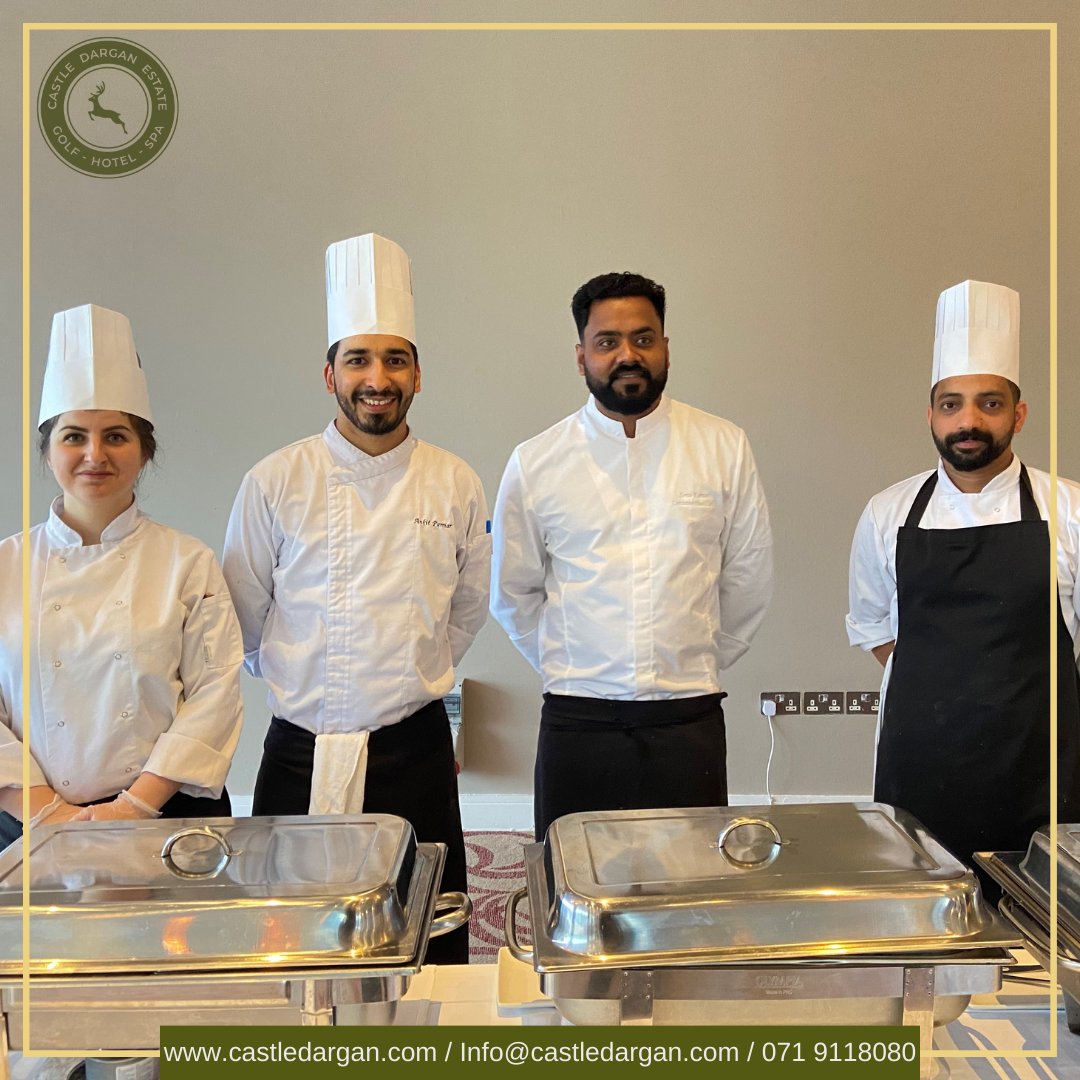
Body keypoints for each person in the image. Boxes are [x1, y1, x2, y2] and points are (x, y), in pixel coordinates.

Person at [222, 233, 488, 964]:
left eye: (395, 359)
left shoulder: (454, 481)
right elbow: (242, 612)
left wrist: (412, 665)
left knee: (426, 936)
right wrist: (294, 675)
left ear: (418, 375)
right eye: (360, 360)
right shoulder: (275, 481)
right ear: (329, 372)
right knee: (290, 943)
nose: (378, 377)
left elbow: (466, 608)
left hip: (414, 748)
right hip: (300, 753)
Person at [490, 271, 773, 840]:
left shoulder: (722, 446)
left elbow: (748, 576)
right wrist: (570, 662)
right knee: (574, 891)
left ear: (666, 346)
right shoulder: (536, 461)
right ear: (581, 356)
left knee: (688, 895)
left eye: (644, 339)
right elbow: (513, 590)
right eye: (607, 342)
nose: (627, 355)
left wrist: (693, 657)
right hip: (578, 718)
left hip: (687, 714)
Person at [847, 280, 1080, 896]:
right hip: (922, 767)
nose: (968, 421)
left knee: (1038, 940)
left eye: (989, 403)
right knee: (927, 934)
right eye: (951, 404)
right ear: (930, 414)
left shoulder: (1071, 512)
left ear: (1020, 414)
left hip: (1042, 769)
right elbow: (873, 627)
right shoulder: (887, 513)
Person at [0, 304, 244, 846]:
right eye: (73, 437)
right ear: (47, 452)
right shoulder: (5, 566)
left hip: (167, 813)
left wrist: (134, 805)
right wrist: (44, 811)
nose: (95, 455)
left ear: (142, 452)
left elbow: (216, 691)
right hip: (24, 820)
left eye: (115, 435)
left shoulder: (186, 560)